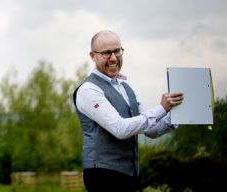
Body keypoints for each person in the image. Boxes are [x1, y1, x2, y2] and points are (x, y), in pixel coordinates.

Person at [73, 30, 184, 192]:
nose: (113, 58)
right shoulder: (88, 89)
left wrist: (179, 113)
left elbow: (151, 129)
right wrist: (161, 109)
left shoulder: (126, 88)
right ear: (93, 56)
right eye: (106, 53)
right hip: (103, 177)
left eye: (117, 51)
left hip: (129, 176)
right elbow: (120, 129)